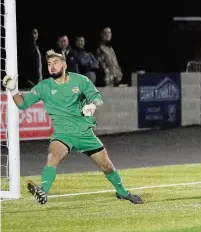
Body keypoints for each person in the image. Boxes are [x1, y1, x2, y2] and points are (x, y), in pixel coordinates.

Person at [1, 50, 143, 205]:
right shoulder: (44, 86)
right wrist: (13, 90)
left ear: (64, 64)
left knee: (107, 166)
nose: (52, 67)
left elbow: (97, 98)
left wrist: (92, 106)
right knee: (52, 157)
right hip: (63, 134)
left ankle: (122, 192)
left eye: (55, 63)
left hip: (85, 134)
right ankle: (43, 191)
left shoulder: (80, 81)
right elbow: (22, 104)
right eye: (49, 64)